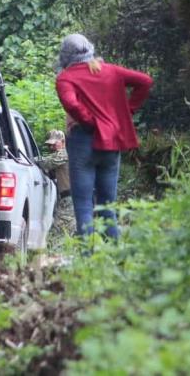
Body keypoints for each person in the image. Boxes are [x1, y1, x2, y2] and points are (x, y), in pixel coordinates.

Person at [55, 33, 153, 239]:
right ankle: (113, 259)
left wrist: (88, 121)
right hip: (111, 141)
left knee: (83, 205)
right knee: (107, 205)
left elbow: (71, 103)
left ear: (65, 55)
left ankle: (88, 259)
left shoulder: (66, 77)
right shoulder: (110, 71)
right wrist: (127, 110)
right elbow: (145, 81)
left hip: (83, 140)